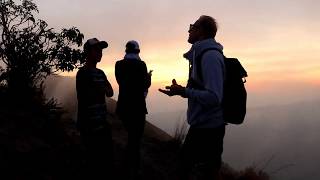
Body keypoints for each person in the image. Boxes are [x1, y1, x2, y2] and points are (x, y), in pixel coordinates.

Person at [159, 15, 226, 180]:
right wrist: (180, 90)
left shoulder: (210, 57)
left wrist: (184, 92)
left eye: (192, 26)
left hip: (209, 129)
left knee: (187, 169)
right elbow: (202, 89)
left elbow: (214, 97)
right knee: (192, 169)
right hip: (203, 125)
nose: (189, 30)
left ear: (201, 31)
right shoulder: (201, 54)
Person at [76, 38, 114, 179]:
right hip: (89, 127)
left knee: (105, 164)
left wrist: (101, 88)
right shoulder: (82, 73)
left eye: (101, 50)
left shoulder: (101, 73)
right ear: (87, 52)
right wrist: (101, 88)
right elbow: (85, 97)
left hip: (102, 125)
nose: (100, 53)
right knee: (92, 165)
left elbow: (110, 92)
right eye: (96, 50)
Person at [115, 40, 151, 179]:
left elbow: (120, 82)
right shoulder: (141, 65)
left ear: (126, 50)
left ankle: (127, 166)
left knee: (131, 136)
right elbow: (145, 84)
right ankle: (132, 168)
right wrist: (148, 77)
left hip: (123, 107)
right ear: (138, 51)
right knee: (135, 139)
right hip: (137, 107)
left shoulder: (118, 64)